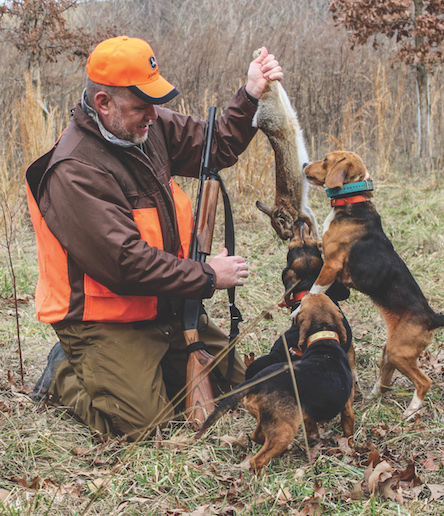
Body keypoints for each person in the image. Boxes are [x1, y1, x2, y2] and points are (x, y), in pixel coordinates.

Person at [26, 36, 283, 441]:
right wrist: (207, 275)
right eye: (140, 106)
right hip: (102, 319)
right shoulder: (74, 169)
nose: (152, 115)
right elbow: (125, 263)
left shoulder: (147, 126)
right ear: (103, 104)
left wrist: (250, 94)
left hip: (163, 302)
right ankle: (64, 372)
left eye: (153, 102)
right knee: (147, 429)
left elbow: (214, 145)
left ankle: (152, 365)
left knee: (238, 387)